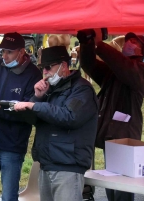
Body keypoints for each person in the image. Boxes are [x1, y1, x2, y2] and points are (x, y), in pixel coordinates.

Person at [13, 46, 99, 201]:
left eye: (48, 67)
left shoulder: (82, 89)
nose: (45, 72)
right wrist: (37, 98)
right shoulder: (49, 89)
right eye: (42, 68)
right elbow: (33, 120)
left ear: (64, 66)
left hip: (68, 166)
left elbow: (69, 116)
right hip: (46, 163)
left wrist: (35, 105)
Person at [79, 30, 144, 201]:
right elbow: (89, 65)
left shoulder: (141, 70)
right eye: (127, 40)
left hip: (125, 138)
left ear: (142, 51)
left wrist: (101, 45)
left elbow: (124, 68)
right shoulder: (113, 71)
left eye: (134, 41)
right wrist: (87, 43)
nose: (128, 43)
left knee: (124, 186)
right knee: (111, 181)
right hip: (111, 135)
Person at [0, 32, 42, 201]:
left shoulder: (34, 74)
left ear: (21, 52)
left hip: (12, 146)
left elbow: (30, 112)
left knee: (8, 197)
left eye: (9, 52)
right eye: (2, 51)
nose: (4, 55)